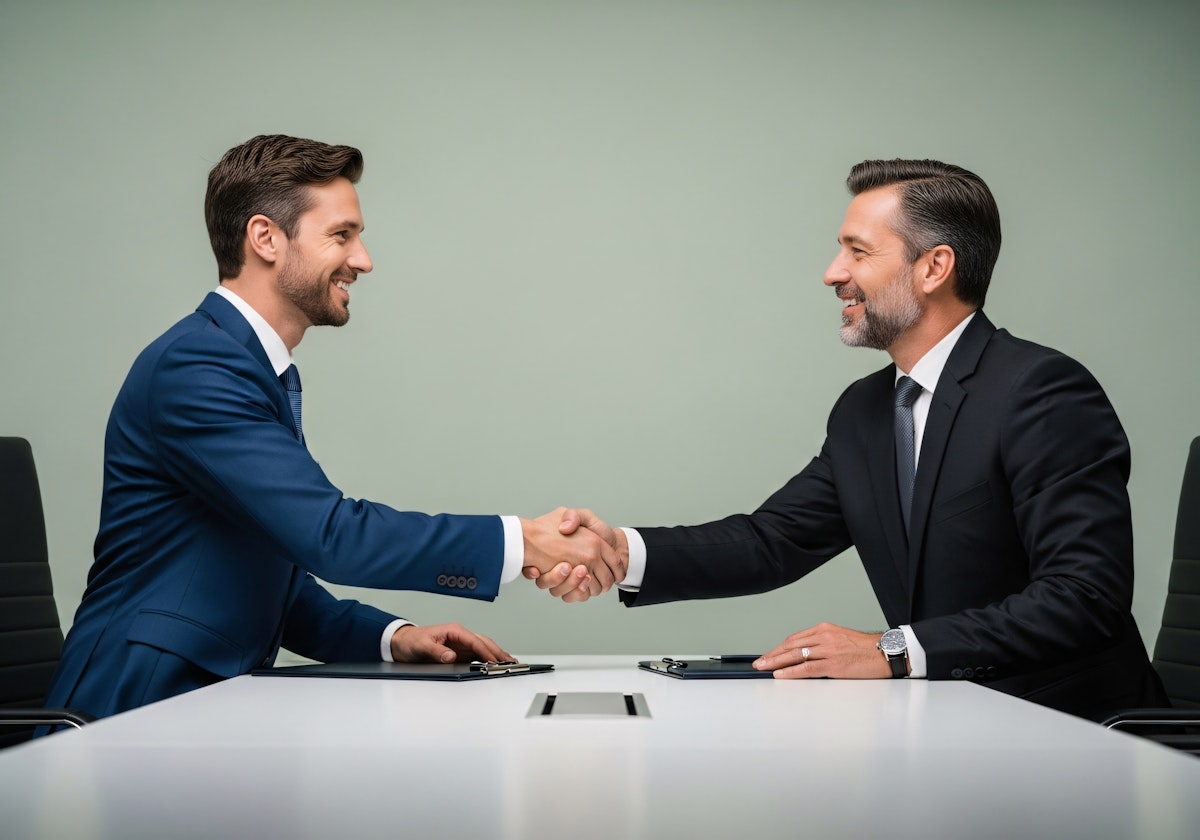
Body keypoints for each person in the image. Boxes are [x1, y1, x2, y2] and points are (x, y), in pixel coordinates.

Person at [537, 158, 1167, 720]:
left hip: (1070, 735)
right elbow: (772, 542)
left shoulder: (1041, 391)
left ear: (934, 267)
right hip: (943, 728)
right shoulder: (866, 409)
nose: (832, 273)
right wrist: (620, 550)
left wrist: (891, 649)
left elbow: (1085, 598)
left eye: (858, 252)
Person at [42, 134, 618, 722]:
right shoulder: (198, 366)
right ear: (265, 238)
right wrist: (523, 540)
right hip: (131, 707)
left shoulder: (241, 363)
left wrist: (391, 638)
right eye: (341, 236)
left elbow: (260, 577)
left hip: (201, 707)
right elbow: (330, 536)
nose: (363, 259)